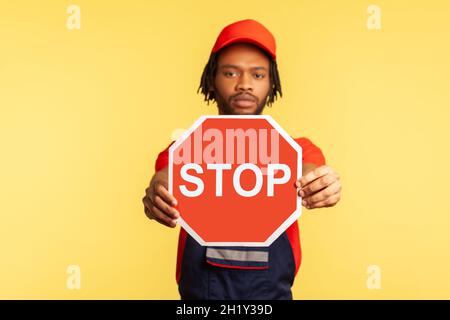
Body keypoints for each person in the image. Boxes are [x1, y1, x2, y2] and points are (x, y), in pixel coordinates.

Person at [142, 19, 342, 299]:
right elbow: (166, 175)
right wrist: (158, 192)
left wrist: (323, 183)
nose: (245, 85)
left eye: (258, 75)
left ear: (272, 84)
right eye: (231, 73)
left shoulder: (297, 150)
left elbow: (311, 170)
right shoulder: (184, 149)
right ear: (212, 80)